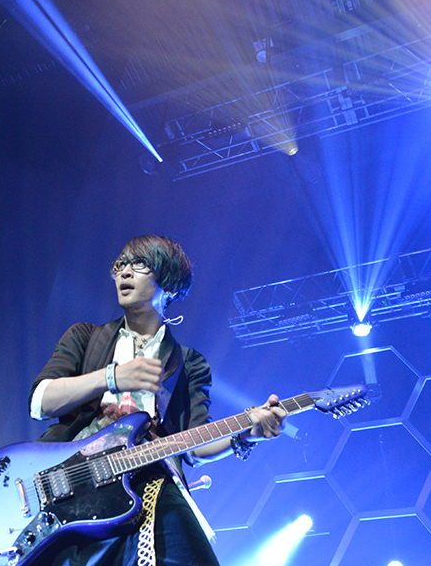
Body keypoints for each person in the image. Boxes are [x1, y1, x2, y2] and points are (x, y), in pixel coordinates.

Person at [28, 235, 287, 566]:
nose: (124, 272)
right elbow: (41, 401)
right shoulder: (85, 337)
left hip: (150, 480)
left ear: (169, 282)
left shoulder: (189, 363)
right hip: (72, 480)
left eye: (138, 264)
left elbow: (195, 444)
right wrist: (113, 377)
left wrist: (245, 432)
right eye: (120, 265)